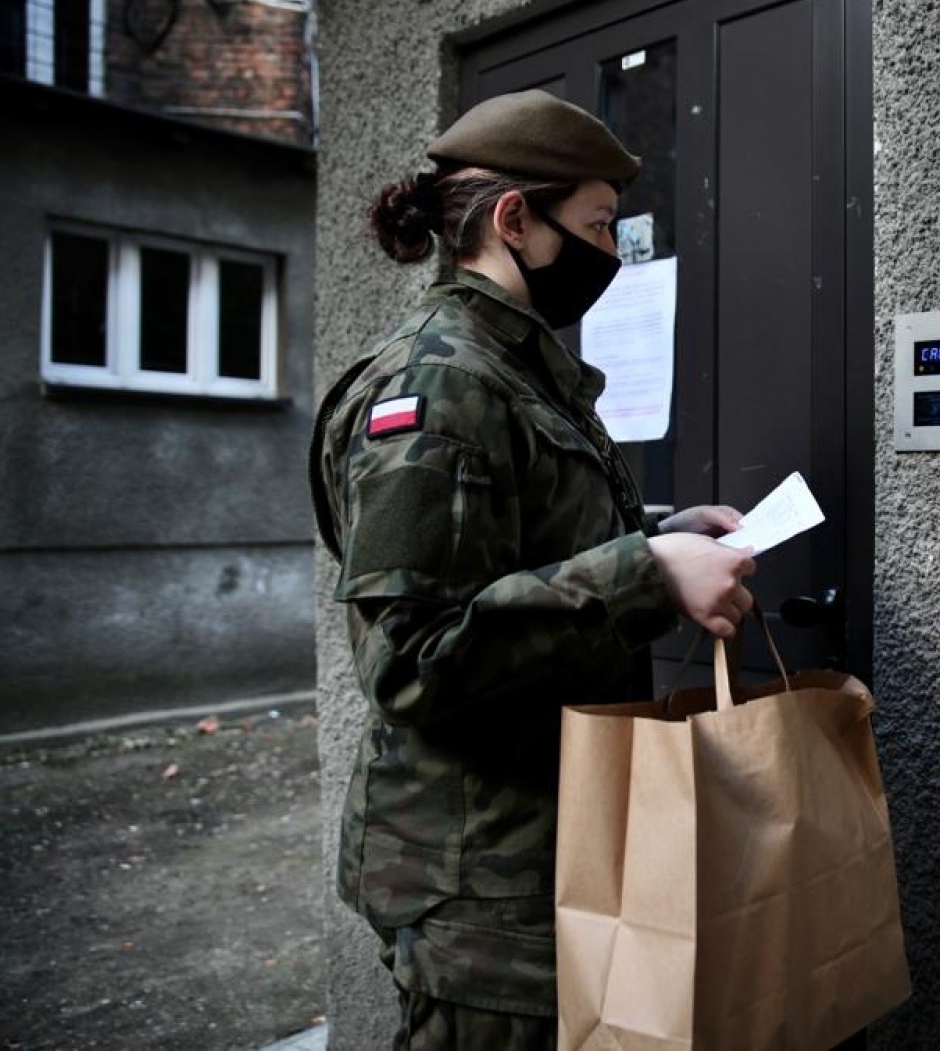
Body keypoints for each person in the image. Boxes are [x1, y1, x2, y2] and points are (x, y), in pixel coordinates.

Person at [309, 90, 757, 1050]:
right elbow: (410, 656)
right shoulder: (438, 384)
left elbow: (517, 541)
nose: (612, 253)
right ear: (516, 220)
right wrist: (646, 573)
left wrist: (665, 533)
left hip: (548, 849)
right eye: (598, 225)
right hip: (480, 892)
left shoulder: (513, 366)